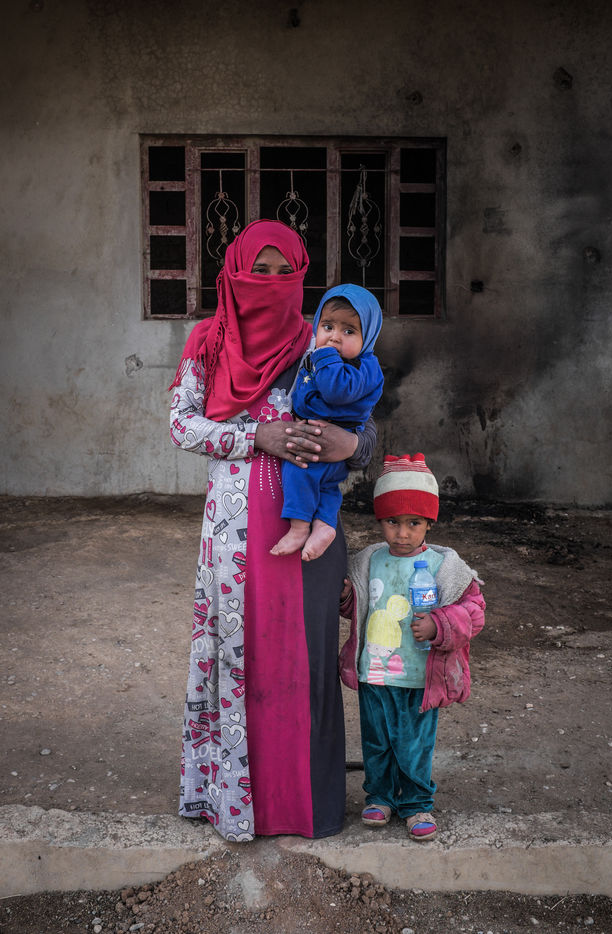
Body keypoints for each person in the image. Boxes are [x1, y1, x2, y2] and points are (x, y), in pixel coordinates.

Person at [169, 219, 377, 842]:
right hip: (233, 536)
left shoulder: (318, 339)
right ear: (234, 271)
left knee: (305, 664)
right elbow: (181, 425)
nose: (271, 282)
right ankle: (238, 802)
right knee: (241, 657)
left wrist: (354, 446)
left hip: (307, 534)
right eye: (258, 271)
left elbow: (364, 423)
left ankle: (305, 808)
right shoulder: (208, 341)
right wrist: (253, 435)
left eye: (285, 272)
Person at [338, 453, 485, 841]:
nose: (402, 533)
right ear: (379, 521)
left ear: (429, 523)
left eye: (413, 523)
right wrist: (345, 597)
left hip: (419, 678)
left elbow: (474, 613)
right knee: (376, 742)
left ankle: (417, 803)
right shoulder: (368, 560)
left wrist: (439, 625)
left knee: (414, 745)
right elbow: (360, 607)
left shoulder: (445, 567)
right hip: (374, 674)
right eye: (392, 522)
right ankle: (380, 797)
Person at [270, 284, 384, 561]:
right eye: (328, 326)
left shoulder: (361, 366)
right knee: (326, 487)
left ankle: (299, 529)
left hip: (330, 438)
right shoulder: (332, 358)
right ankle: (324, 525)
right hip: (326, 439)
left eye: (349, 331)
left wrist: (324, 355)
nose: (334, 337)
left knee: (298, 471)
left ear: (368, 336)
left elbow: (335, 391)